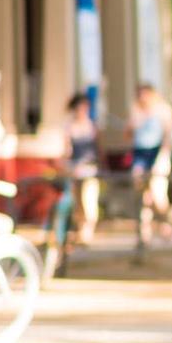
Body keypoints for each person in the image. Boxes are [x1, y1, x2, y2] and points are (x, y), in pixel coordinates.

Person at [129, 82, 172, 249]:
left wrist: (162, 158)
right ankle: (144, 233)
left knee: (157, 195)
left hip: (158, 154)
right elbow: (130, 134)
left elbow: (167, 137)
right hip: (140, 155)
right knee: (142, 196)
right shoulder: (136, 111)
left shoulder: (163, 111)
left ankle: (165, 225)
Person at [66, 94, 101, 246]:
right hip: (75, 169)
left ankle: (87, 233)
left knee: (89, 201)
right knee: (77, 203)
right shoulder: (70, 127)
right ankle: (80, 231)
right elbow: (66, 149)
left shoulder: (92, 126)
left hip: (90, 168)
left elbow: (98, 148)